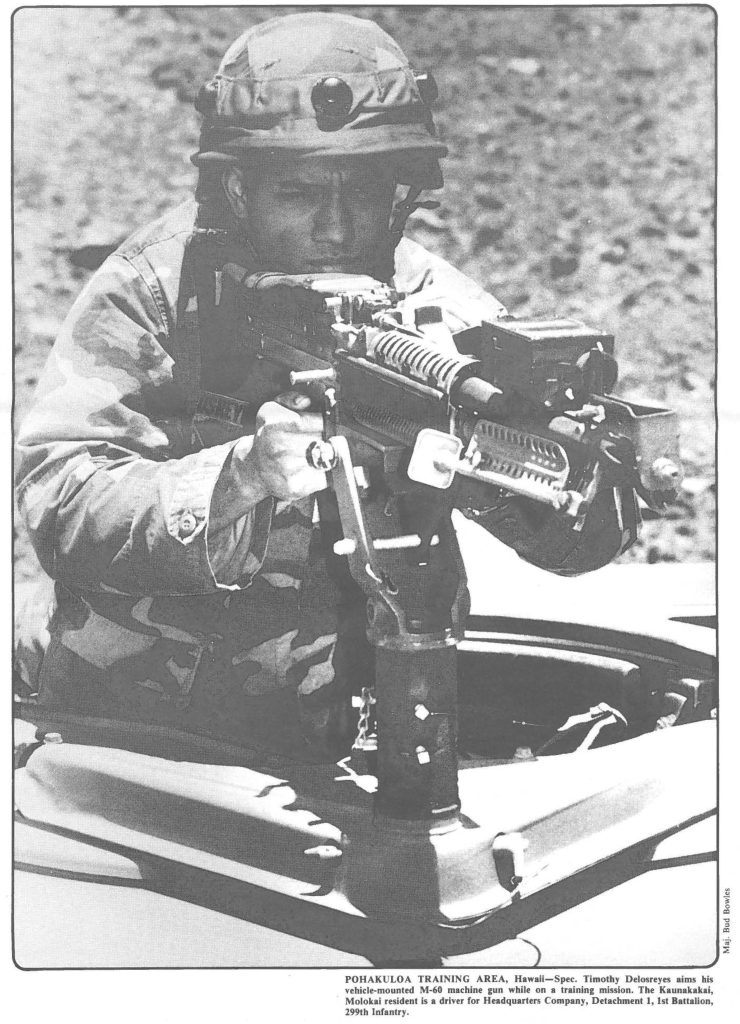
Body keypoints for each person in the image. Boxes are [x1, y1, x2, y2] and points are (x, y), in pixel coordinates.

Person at [15, 12, 639, 764]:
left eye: (366, 193)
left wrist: (494, 470)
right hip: (141, 725)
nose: (336, 227)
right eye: (300, 194)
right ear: (238, 190)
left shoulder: (430, 311)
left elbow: (584, 540)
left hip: (364, 726)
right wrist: (239, 478)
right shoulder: (157, 289)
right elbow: (60, 499)